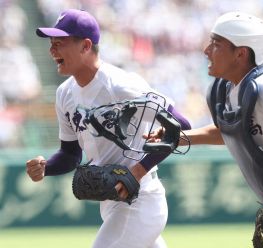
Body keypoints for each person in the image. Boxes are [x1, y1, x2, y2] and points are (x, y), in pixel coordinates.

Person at [26, 9, 191, 248]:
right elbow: (71, 155)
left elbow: (181, 126)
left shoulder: (121, 86)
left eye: (59, 43)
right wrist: (46, 168)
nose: (52, 50)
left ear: (85, 46)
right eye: (51, 43)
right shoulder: (65, 94)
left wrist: (138, 170)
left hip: (140, 200)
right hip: (112, 202)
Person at [146, 11, 263, 248]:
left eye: (216, 44)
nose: (206, 50)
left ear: (241, 53)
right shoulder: (227, 89)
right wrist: (178, 137)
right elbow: (228, 132)